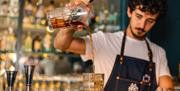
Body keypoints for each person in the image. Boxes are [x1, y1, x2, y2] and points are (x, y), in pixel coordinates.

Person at [53, 0, 174, 90]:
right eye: (139, 16)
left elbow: (167, 86)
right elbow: (61, 45)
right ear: (129, 11)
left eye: (150, 21)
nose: (142, 25)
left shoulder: (158, 52)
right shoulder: (104, 41)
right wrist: (70, 28)